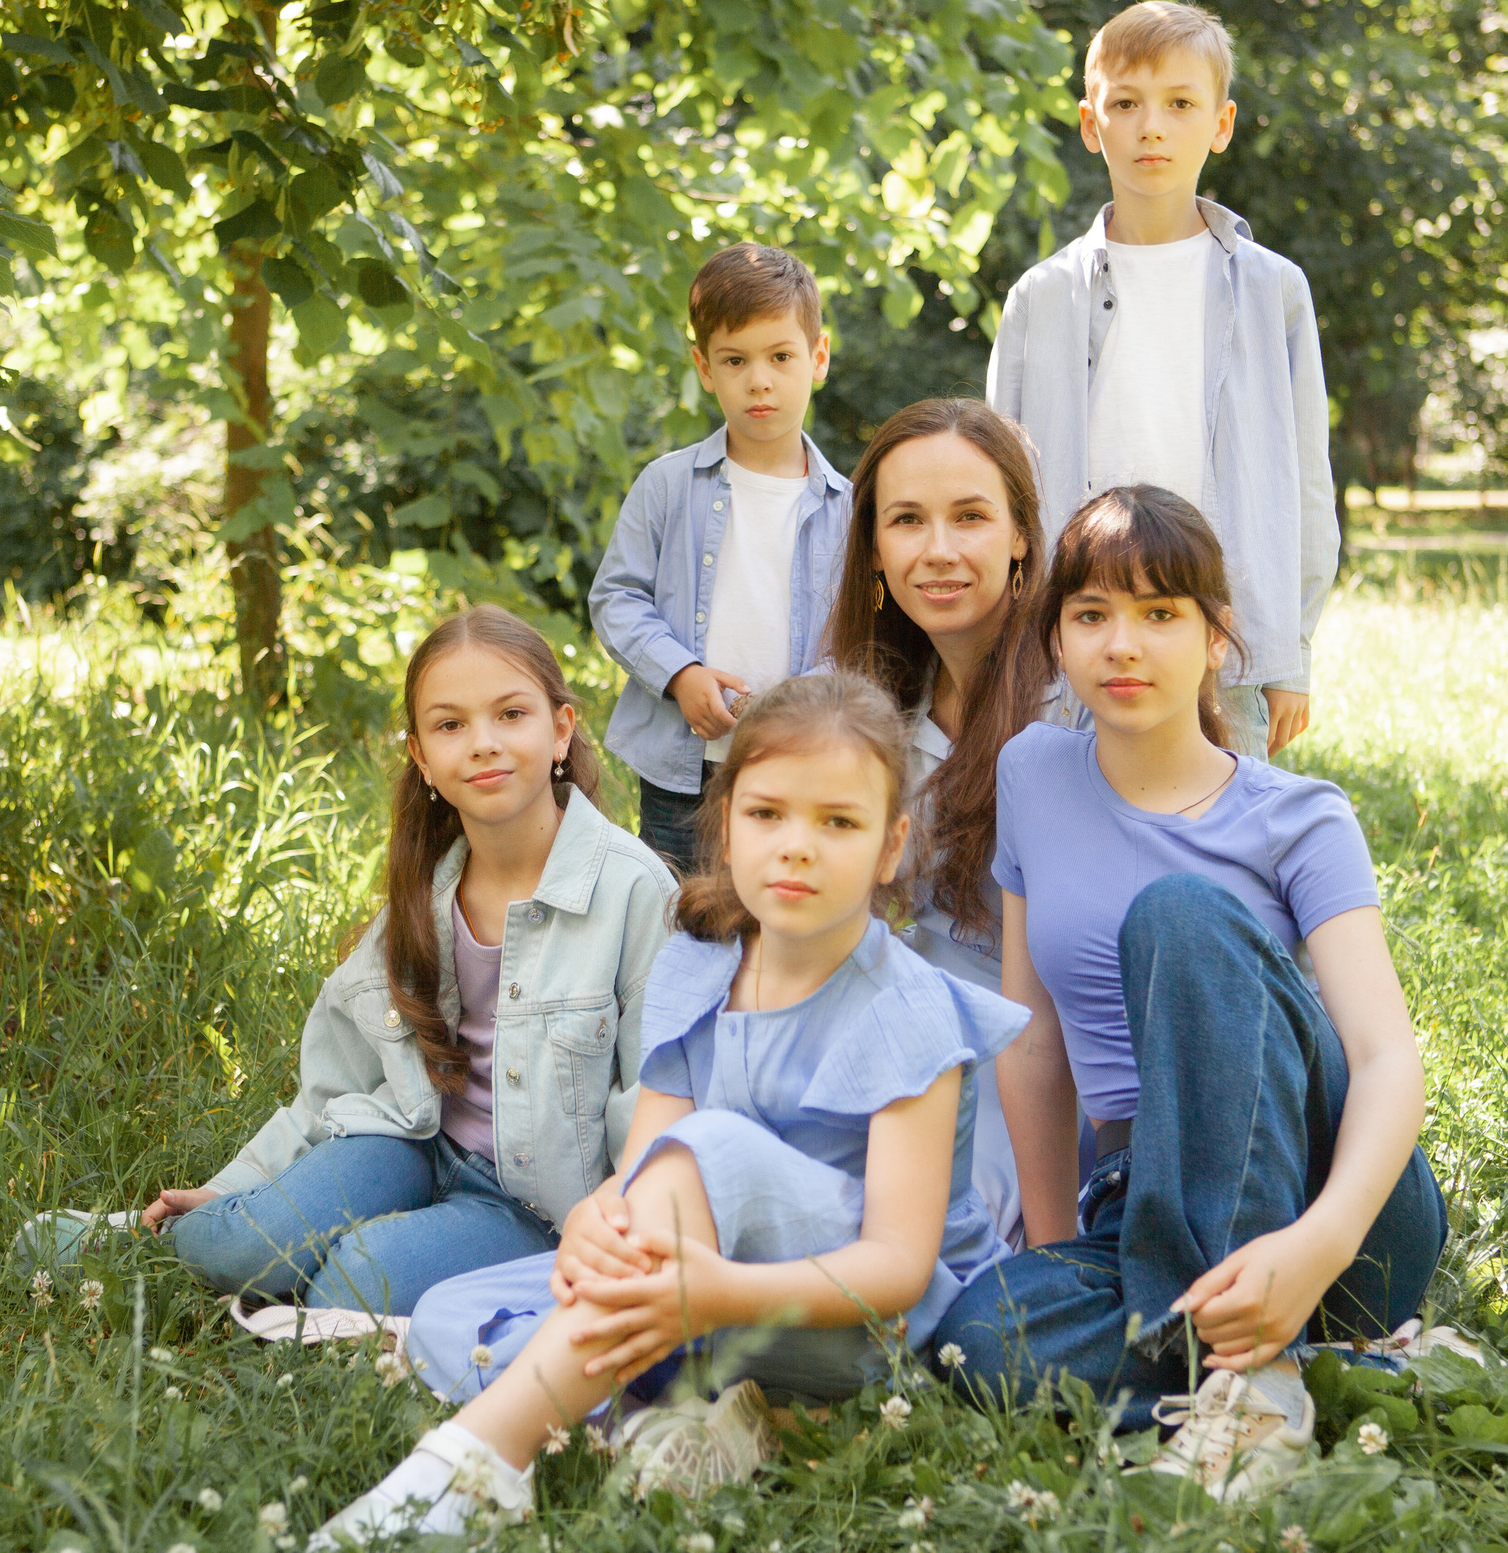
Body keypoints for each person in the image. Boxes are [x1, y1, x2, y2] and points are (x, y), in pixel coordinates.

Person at [315, 673, 1028, 1544]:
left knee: (714, 1146)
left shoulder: (909, 1010)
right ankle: (691, 1419)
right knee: (447, 1318)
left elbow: (896, 1267)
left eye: (838, 822)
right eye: (767, 814)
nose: (797, 846)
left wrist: (714, 1292)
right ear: (727, 825)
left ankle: (475, 1464)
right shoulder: (700, 965)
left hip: (861, 1329)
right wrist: (594, 1225)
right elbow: (640, 1170)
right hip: (692, 1292)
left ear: (891, 845)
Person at [930, 485, 1446, 1503]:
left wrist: (1315, 1245)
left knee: (1178, 914)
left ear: (1217, 638)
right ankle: (1330, 1369)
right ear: (1058, 640)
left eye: (1160, 614)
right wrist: (1051, 1242)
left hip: (1330, 1197)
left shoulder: (1299, 818)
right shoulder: (1034, 772)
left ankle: (1249, 1376)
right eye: (1092, 616)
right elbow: (1032, 1040)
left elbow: (1386, 1059)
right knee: (975, 1344)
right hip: (1141, 1206)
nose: (1124, 645)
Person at [142, 606, 674, 1318]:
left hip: (533, 1209)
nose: (483, 743)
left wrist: (613, 1240)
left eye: (511, 713)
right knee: (250, 1244)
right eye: (450, 724)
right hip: (410, 1142)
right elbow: (337, 1083)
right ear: (422, 757)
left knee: (352, 1284)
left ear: (561, 729)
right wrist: (242, 1184)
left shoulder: (634, 892)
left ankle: (323, 1268)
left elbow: (660, 1103)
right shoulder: (425, 895)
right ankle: (129, 1244)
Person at [985, 1, 1337, 762]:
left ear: (1221, 123)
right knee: (1077, 850)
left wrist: (1291, 650)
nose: (1152, 127)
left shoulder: (1274, 290)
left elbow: (1305, 481)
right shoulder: (1040, 299)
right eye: (1126, 104)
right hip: (1070, 645)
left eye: (1180, 104)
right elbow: (1002, 494)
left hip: (1227, 638)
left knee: (1218, 854)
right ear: (1090, 124)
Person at [819, 397, 1045, 1245]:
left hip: (1045, 1037)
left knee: (938, 1224)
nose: (939, 550)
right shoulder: (876, 706)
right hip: (915, 1006)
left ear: (1021, 533)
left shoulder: (1078, 697)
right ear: (873, 546)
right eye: (907, 520)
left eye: (971, 517)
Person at [590, 243, 855, 873]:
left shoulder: (853, 510)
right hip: (682, 775)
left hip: (798, 767)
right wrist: (680, 674)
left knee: (780, 922)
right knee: (681, 920)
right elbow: (616, 597)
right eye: (735, 360)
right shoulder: (667, 485)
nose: (758, 380)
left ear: (817, 358)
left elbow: (864, 637)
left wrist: (800, 703)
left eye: (781, 357)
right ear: (704, 368)